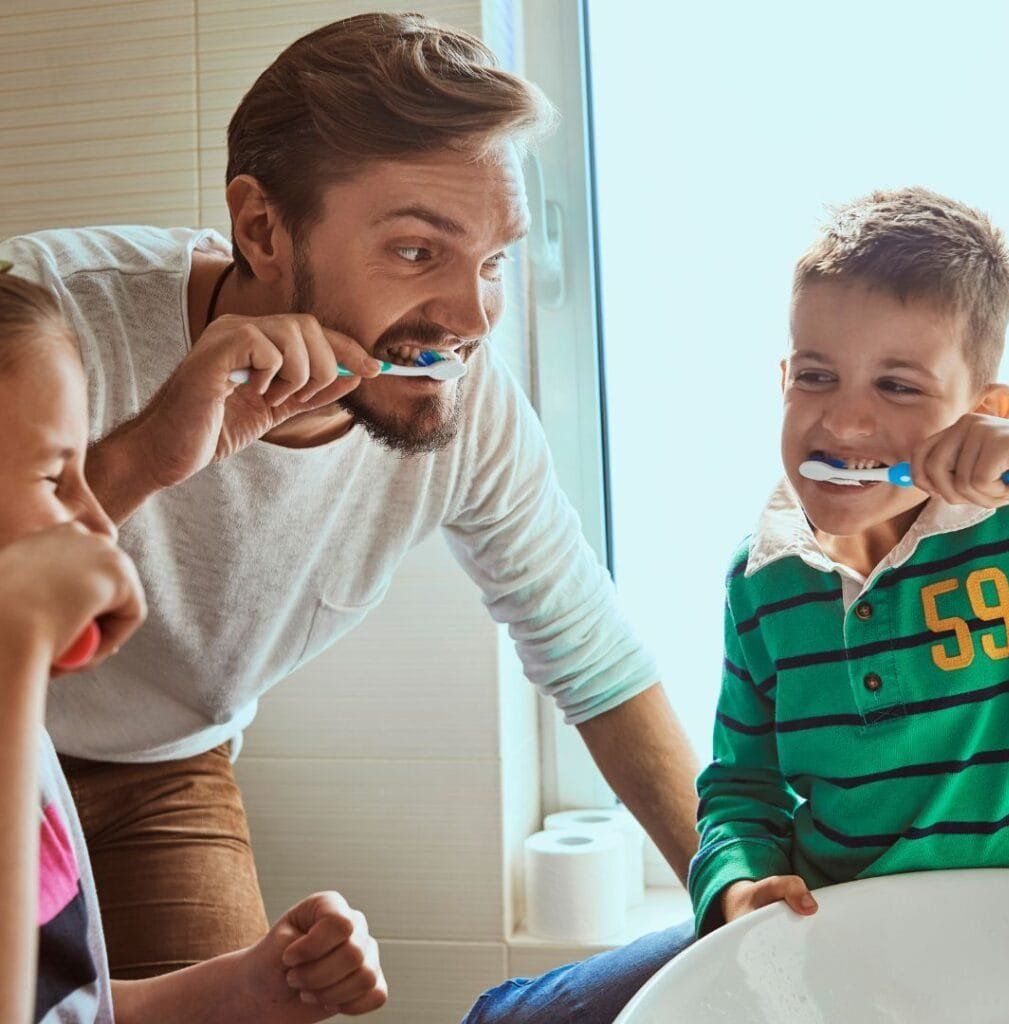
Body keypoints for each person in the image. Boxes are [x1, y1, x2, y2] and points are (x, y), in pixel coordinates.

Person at [0, 11, 699, 1020]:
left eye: (493, 259)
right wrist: (145, 455)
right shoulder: (48, 308)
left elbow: (592, 659)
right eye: (418, 250)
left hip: (166, 764)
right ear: (262, 231)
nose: (470, 315)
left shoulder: (473, 410)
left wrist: (729, 897)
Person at [0, 269, 386, 1021]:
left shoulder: (27, 749)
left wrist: (253, 982)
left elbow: (71, 1006)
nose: (98, 518)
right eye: (55, 475)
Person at [689, 187, 1009, 936]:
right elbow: (742, 785)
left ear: (983, 414)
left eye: (897, 385)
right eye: (815, 376)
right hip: (838, 942)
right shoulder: (761, 582)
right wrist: (739, 887)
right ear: (783, 382)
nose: (842, 420)